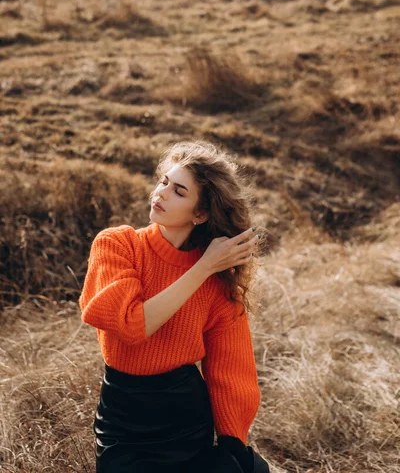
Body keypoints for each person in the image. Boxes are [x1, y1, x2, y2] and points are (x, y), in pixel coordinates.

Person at [79, 140, 270, 473]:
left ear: (201, 213)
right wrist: (203, 268)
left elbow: (231, 371)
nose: (161, 193)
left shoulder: (216, 277)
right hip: (122, 416)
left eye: (179, 191)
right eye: (164, 181)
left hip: (184, 417)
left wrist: (231, 442)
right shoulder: (118, 244)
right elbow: (130, 325)